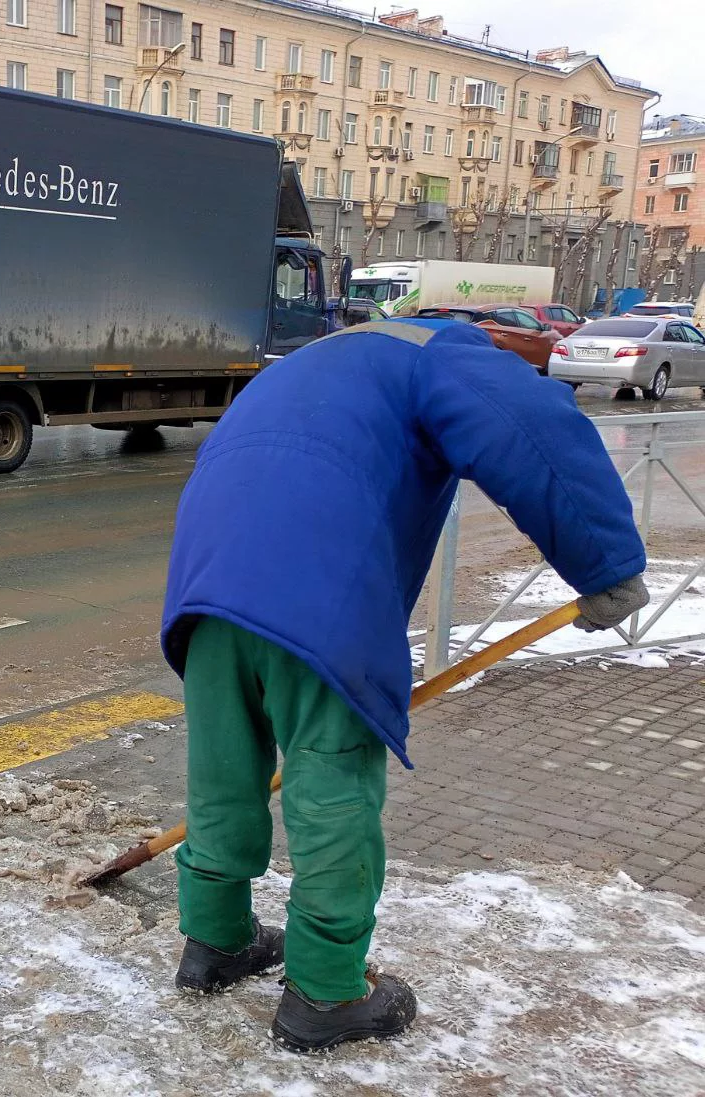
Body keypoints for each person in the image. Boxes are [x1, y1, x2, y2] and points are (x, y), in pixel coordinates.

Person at [161, 318, 648, 1053]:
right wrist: (605, 561)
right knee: (331, 778)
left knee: (224, 768)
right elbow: (529, 428)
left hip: (204, 573)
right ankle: (327, 990)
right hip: (317, 581)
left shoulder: (319, 356)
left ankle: (216, 941)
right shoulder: (440, 353)